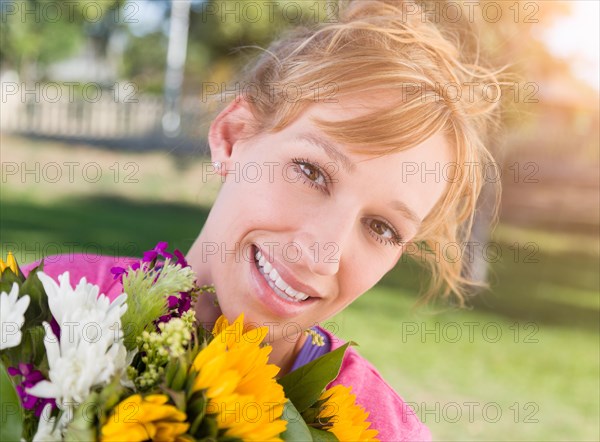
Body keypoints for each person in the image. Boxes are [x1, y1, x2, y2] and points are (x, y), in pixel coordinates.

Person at [21, 1, 504, 440]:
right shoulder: (38, 314)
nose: (323, 252)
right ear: (233, 136)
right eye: (312, 172)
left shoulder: (379, 430)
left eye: (381, 227)